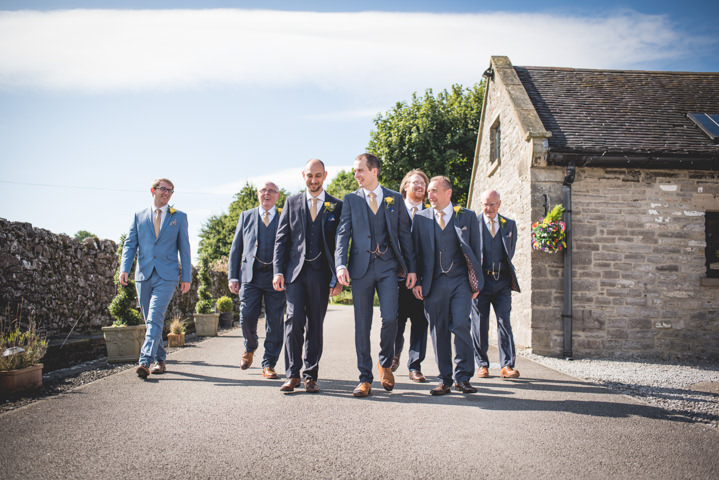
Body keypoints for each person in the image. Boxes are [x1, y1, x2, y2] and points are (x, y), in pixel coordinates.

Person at [335, 153, 416, 397]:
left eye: (360, 170)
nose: (356, 175)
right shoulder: (351, 200)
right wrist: (340, 264)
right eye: (355, 171)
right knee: (362, 324)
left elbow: (405, 236)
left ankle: (385, 362)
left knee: (391, 317)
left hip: (388, 267)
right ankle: (364, 378)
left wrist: (411, 269)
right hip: (360, 269)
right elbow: (342, 234)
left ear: (374, 171)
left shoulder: (394, 199)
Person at [273, 159, 343, 393]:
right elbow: (281, 240)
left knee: (316, 325)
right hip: (295, 273)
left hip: (322, 274)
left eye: (318, 176)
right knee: (293, 321)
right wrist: (278, 270)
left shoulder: (337, 205)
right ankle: (292, 374)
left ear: (325, 176)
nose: (313, 180)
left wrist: (338, 278)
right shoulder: (291, 203)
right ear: (303, 175)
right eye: (309, 176)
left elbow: (341, 245)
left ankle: (310, 375)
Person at [411, 176, 483, 395]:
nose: (429, 195)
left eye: (434, 191)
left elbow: (477, 251)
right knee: (438, 330)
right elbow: (415, 254)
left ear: (448, 193)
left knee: (461, 324)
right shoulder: (421, 218)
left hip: (460, 281)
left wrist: (476, 281)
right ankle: (444, 379)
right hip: (433, 283)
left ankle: (463, 377)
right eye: (429, 191)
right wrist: (418, 282)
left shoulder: (467, 216)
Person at [120, 178, 192, 379]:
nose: (167, 193)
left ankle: (145, 360)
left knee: (154, 316)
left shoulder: (179, 217)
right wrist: (124, 268)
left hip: (167, 276)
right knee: (151, 319)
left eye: (171, 191)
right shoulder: (139, 216)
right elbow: (130, 244)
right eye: (163, 189)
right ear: (153, 190)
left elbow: (185, 249)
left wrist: (186, 276)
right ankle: (161, 359)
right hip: (143, 275)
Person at [228, 181, 285, 379]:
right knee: (247, 316)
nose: (267, 194)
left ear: (278, 196)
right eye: (263, 190)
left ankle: (269, 363)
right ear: (258, 194)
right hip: (250, 277)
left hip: (276, 278)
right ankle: (250, 347)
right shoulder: (246, 216)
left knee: (275, 322)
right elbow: (236, 248)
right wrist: (233, 276)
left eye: (271, 191)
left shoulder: (285, 216)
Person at [471, 189, 521, 379]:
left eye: (492, 204)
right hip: (480, 283)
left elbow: (510, 251)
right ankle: (482, 364)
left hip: (502, 283)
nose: (488, 208)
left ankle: (507, 365)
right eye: (485, 204)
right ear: (480, 203)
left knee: (504, 322)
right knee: (480, 324)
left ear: (499, 204)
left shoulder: (509, 225)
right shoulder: (473, 223)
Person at [392, 169, 430, 383]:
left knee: (420, 323)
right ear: (405, 187)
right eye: (414, 182)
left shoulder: (431, 215)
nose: (419, 185)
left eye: (423, 183)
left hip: (422, 282)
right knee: (395, 321)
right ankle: (394, 356)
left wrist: (422, 280)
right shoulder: (394, 213)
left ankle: (415, 366)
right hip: (397, 279)